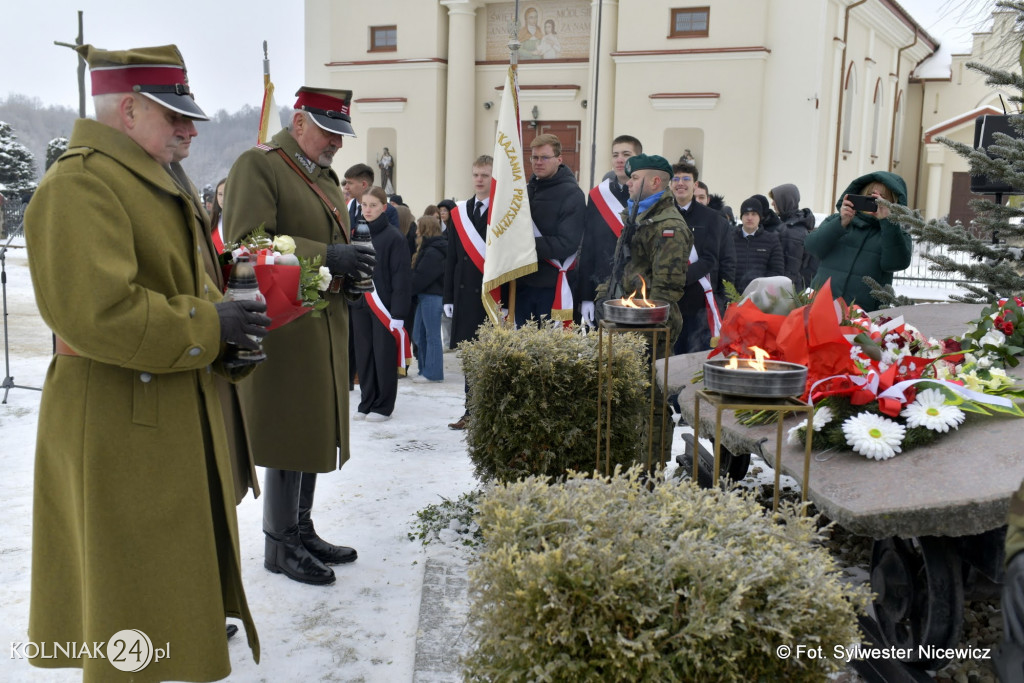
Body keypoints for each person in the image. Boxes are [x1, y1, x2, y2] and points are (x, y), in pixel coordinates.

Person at [23, 43, 266, 679]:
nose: (191, 129)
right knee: (127, 610)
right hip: (117, 426)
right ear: (128, 110)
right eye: (175, 115)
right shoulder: (80, 184)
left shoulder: (149, 179)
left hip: (158, 415)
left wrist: (229, 337)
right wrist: (211, 326)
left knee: (160, 598)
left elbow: (187, 287)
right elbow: (98, 314)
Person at [226, 86, 377, 586]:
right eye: (329, 132)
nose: (337, 143)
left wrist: (348, 277)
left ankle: (301, 527)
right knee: (289, 432)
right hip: (286, 325)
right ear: (299, 123)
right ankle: (280, 542)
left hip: (323, 320)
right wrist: (328, 257)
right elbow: (246, 244)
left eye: (341, 134)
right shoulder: (261, 165)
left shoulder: (324, 177)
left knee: (313, 428)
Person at [598, 154, 691, 466]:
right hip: (628, 323)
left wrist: (638, 319)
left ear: (655, 182)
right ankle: (626, 465)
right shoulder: (638, 217)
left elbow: (667, 290)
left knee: (651, 403)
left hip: (652, 328)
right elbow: (624, 269)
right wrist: (605, 297)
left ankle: (649, 471)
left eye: (635, 179)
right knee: (626, 400)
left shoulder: (668, 226)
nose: (628, 184)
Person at [804, 172, 913, 311]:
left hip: (863, 312)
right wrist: (840, 223)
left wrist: (887, 222)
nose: (874, 201)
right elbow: (812, 247)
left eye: (882, 198)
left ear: (893, 203)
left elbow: (895, 263)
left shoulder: (897, 233)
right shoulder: (838, 220)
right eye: (870, 195)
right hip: (821, 303)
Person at [349, 186, 412, 420]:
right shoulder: (356, 233)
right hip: (360, 303)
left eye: (373, 205)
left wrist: (398, 313)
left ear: (384, 208)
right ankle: (367, 401)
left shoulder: (394, 237)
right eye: (364, 205)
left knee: (383, 355)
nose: (367, 210)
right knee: (364, 355)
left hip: (384, 307)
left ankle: (383, 406)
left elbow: (401, 277)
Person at [442, 156, 493, 430]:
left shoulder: (503, 211)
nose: (479, 180)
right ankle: (470, 412)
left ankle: (488, 414)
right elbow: (451, 259)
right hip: (464, 297)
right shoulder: (460, 213)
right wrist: (448, 297)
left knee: (490, 359)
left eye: (485, 175)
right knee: (470, 359)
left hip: (491, 298)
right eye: (476, 174)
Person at [518, 133, 585, 327]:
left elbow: (567, 243)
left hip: (551, 287)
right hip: (522, 283)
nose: (538, 162)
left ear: (559, 159)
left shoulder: (572, 194)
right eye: (534, 157)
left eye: (545, 157)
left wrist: (523, 245)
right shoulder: (526, 191)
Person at [670, 161, 734, 354]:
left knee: (696, 356)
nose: (680, 183)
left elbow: (710, 258)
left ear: (695, 184)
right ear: (670, 184)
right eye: (676, 179)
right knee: (667, 357)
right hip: (668, 299)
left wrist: (679, 279)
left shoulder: (711, 218)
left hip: (698, 300)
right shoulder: (662, 214)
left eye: (686, 179)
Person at [579, 135, 641, 327]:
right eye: (615, 155)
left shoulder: (649, 195)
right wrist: (586, 296)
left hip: (640, 290)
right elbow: (588, 247)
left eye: (626, 154)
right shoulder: (598, 195)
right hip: (603, 288)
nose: (619, 159)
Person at [410, 215, 447, 382]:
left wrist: (408, 289)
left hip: (432, 296)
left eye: (419, 227)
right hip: (424, 296)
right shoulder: (430, 248)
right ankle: (424, 370)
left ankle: (433, 374)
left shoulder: (433, 251)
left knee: (432, 336)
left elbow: (422, 276)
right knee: (419, 334)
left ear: (426, 229)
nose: (416, 231)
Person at [769, 183, 818, 290]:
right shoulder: (795, 225)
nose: (772, 203)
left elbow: (789, 272)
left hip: (786, 292)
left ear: (785, 201)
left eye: (775, 200)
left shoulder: (791, 231)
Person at [733, 196, 785, 293]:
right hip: (732, 295)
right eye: (746, 214)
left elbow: (776, 271)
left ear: (760, 217)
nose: (749, 218)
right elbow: (724, 267)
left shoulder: (772, 240)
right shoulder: (729, 238)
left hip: (760, 295)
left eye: (754, 214)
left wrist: (762, 290)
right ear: (741, 216)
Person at [210, 176, 228, 252]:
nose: (223, 199)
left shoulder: (245, 222)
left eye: (227, 193)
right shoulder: (212, 222)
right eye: (220, 194)